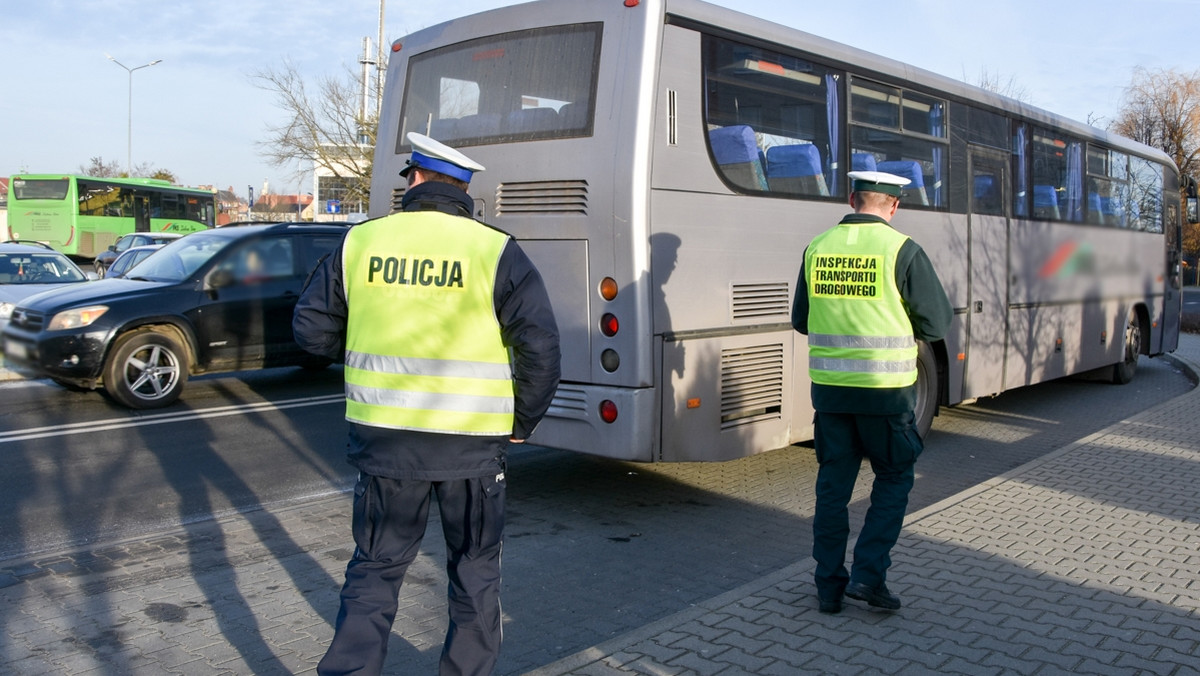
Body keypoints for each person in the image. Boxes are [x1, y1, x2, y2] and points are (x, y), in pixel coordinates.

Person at [293, 132, 561, 675]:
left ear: (413, 179)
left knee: (376, 569)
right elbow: (541, 346)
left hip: (386, 446)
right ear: (465, 189)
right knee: (475, 572)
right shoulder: (494, 250)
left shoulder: (359, 243)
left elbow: (310, 332)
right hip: (472, 449)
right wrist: (523, 421)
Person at [791, 170, 952, 614]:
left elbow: (801, 320)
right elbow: (937, 324)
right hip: (885, 395)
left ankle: (828, 587)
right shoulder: (903, 250)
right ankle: (868, 575)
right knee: (895, 477)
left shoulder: (817, 248)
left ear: (851, 198)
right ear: (894, 205)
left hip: (831, 395)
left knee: (832, 491)